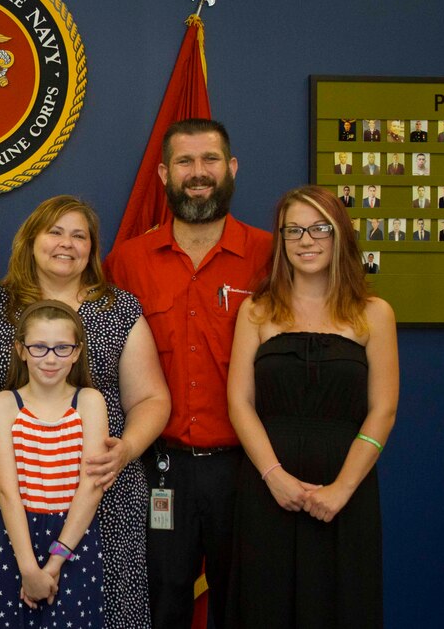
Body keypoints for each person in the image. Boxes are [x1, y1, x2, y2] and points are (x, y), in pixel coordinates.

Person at [0, 195, 169, 628]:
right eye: (55, 232)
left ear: (92, 249)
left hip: (103, 490)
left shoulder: (118, 309)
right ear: (31, 240)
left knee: (109, 611)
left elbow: (153, 398)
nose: (67, 243)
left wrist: (126, 449)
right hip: (21, 498)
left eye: (79, 235)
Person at [105, 118, 273, 629]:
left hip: (248, 468)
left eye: (210, 160)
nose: (198, 173)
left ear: (232, 167)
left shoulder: (271, 257)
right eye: (185, 162)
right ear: (163, 173)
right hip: (160, 469)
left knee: (247, 606)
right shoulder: (127, 262)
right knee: (161, 606)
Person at [226, 184, 397, 628]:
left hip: (346, 491)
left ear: (340, 234)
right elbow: (240, 403)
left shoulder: (374, 313)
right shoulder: (256, 313)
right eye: (294, 230)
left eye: (319, 228)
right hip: (268, 490)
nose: (306, 240)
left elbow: (383, 410)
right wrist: (274, 476)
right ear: (281, 241)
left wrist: (341, 489)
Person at [0, 300, 108, 628]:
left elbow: (91, 487)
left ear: (77, 352)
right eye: (39, 347)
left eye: (62, 348)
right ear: (21, 350)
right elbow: (7, 492)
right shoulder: (4, 405)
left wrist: (53, 565)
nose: (50, 358)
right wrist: (28, 569)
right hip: (17, 539)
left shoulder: (89, 402)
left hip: (72, 540)